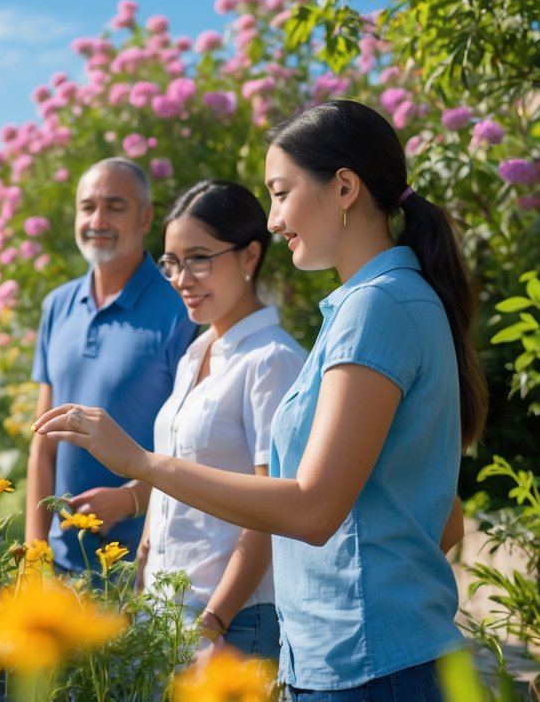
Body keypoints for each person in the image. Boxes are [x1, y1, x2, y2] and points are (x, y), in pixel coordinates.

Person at [35, 100, 486, 699]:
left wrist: (139, 465)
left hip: (368, 665)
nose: (272, 222)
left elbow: (312, 509)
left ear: (345, 187)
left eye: (281, 193)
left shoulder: (376, 308)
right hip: (352, 656)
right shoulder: (373, 304)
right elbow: (440, 515)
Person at [141, 179, 303, 660]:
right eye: (171, 262)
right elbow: (168, 477)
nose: (182, 279)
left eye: (199, 259)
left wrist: (214, 622)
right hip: (163, 608)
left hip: (232, 621)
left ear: (250, 256)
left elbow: (271, 509)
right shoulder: (195, 353)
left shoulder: (272, 361)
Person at [25, 158, 194, 574]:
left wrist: (131, 500)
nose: (98, 219)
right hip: (61, 565)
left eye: (115, 206)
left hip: (146, 568)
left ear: (146, 216)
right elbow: (43, 443)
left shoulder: (182, 306)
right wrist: (32, 559)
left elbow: (196, 448)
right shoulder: (57, 306)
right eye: (88, 206)